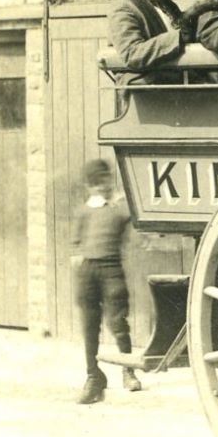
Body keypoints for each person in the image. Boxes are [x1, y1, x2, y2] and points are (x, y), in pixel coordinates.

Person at [73, 159, 140, 404]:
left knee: (117, 322)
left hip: (111, 269)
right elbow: (77, 242)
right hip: (88, 270)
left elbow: (132, 211)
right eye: (98, 184)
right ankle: (94, 377)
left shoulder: (118, 209)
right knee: (90, 326)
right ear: (90, 186)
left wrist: (120, 200)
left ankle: (128, 370)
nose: (103, 187)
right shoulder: (83, 211)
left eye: (106, 182)